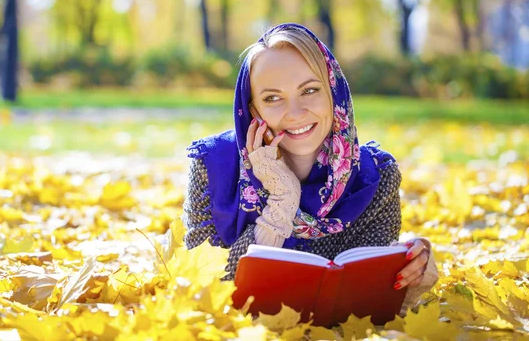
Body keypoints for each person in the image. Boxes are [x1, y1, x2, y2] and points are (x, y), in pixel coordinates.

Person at [182, 23, 438, 315]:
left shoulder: (374, 178)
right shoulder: (212, 165)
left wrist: (412, 269)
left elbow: (369, 303)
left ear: (334, 91)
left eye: (310, 90)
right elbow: (202, 288)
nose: (295, 112)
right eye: (272, 98)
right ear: (253, 111)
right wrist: (281, 201)